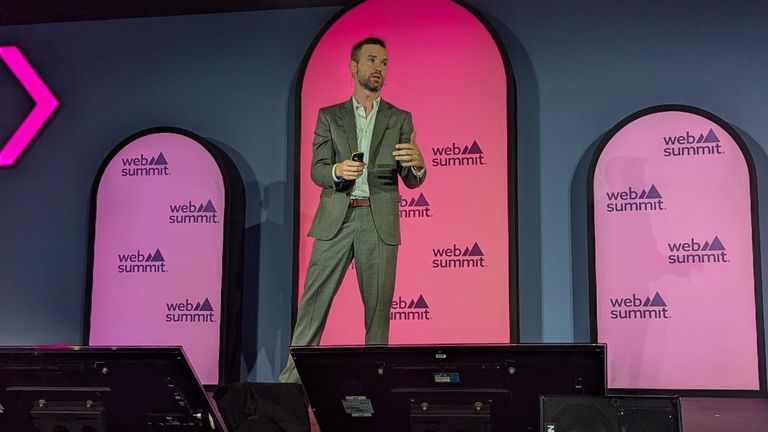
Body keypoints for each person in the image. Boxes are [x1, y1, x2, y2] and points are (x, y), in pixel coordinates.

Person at [279, 37, 426, 383]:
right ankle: (290, 386)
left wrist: (418, 165)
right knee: (313, 304)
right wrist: (336, 171)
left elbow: (410, 177)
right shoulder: (329, 116)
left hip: (378, 221)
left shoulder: (399, 118)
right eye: (372, 60)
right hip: (336, 219)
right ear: (354, 66)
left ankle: (376, 385)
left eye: (385, 63)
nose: (379, 68)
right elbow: (317, 169)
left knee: (378, 312)